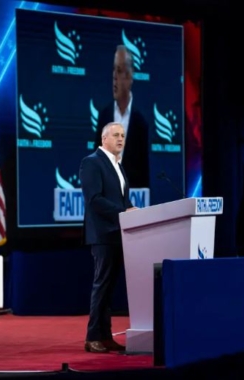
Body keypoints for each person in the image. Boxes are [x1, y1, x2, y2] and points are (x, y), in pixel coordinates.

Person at [80, 121, 138, 353]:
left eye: (123, 135)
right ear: (104, 139)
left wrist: (135, 211)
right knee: (101, 285)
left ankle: (105, 337)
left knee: (109, 287)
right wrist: (123, 211)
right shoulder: (92, 163)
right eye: (116, 135)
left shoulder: (118, 166)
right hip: (103, 234)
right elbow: (94, 199)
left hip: (119, 233)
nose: (121, 139)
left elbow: (123, 202)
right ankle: (92, 336)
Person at [94, 44, 149, 189]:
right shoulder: (104, 117)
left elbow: (144, 176)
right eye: (113, 70)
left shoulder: (140, 123)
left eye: (119, 71)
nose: (114, 77)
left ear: (130, 77)